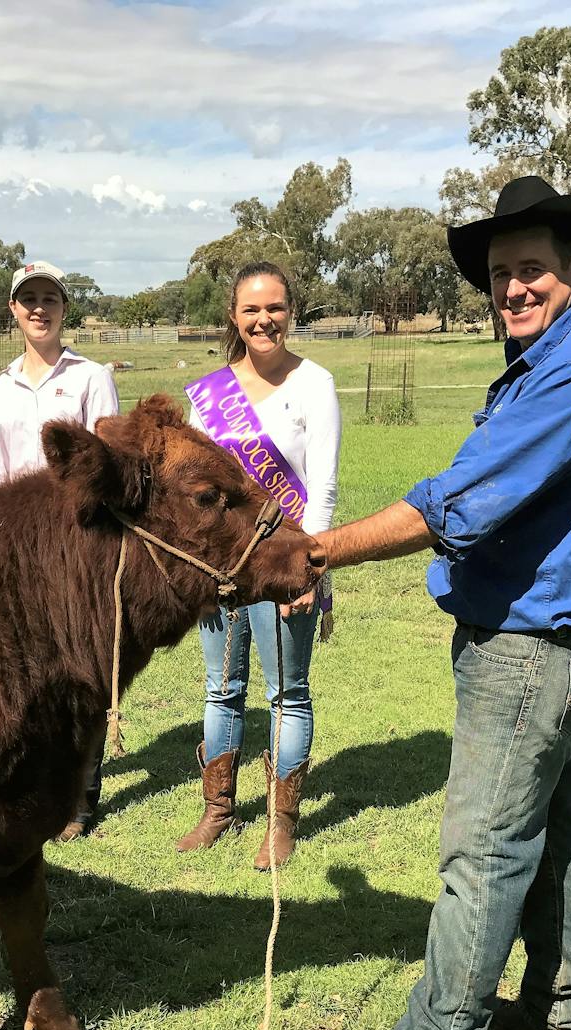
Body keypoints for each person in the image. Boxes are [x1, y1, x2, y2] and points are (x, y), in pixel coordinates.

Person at [315, 178, 571, 1030]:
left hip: (538, 638)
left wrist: (313, 550)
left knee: (486, 845)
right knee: (557, 819)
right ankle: (570, 1014)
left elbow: (458, 502)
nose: (514, 289)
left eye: (533, 270)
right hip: (563, 626)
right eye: (502, 274)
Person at [175, 261, 341, 870]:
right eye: (251, 309)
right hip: (222, 570)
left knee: (286, 695)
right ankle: (218, 808)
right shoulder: (207, 395)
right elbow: (192, 491)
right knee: (222, 690)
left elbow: (321, 491)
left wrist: (308, 572)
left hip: (281, 565)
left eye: (274, 307)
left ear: (290, 311)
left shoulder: (315, 384)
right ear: (233, 316)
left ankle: (280, 821)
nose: (263, 319)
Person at [0, 259, 120, 840]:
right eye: (28, 299)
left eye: (50, 299)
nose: (39, 308)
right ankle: (31, 784)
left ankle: (80, 795)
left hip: (80, 546)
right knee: (25, 672)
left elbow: (108, 465)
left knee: (80, 670)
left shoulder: (90, 378)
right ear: (13, 310)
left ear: (65, 309)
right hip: (18, 550)